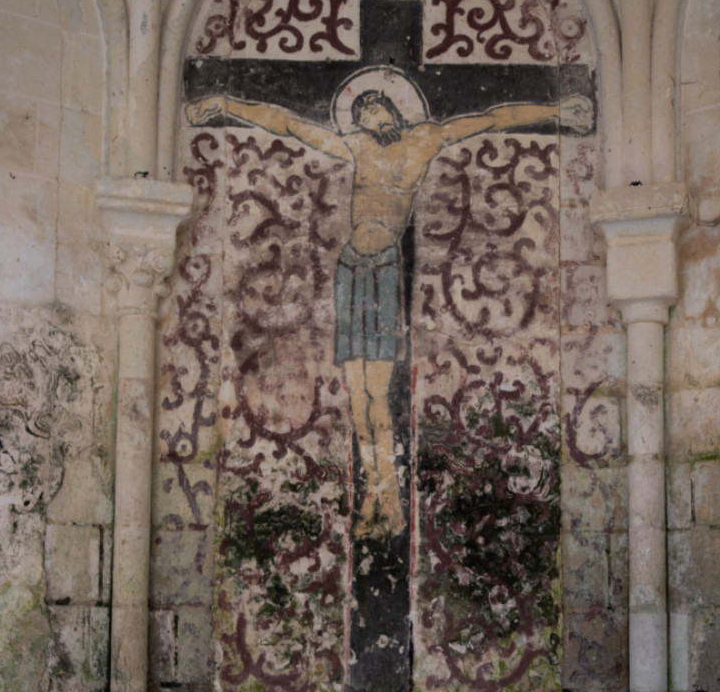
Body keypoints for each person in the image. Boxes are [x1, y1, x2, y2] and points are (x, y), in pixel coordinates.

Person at [186, 80, 593, 538]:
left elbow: (493, 119)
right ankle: (370, 496)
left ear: (393, 110)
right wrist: (225, 104)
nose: (367, 118)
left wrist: (558, 110)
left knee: (376, 393)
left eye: (373, 108)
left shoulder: (427, 139)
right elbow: (289, 124)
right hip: (350, 271)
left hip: (381, 272)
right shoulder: (357, 145)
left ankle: (393, 500)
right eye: (360, 114)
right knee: (357, 396)